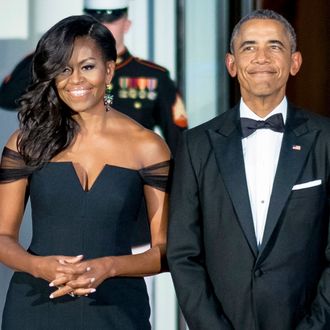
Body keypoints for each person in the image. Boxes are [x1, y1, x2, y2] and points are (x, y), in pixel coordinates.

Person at [0, 14, 171, 330]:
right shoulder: (26, 142)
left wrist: (108, 267)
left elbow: (165, 252)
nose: (75, 79)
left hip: (117, 309)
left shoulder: (148, 147)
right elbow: (2, 238)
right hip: (33, 307)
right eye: (64, 68)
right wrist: (37, 266)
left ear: (108, 71)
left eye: (87, 67)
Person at [167, 9, 330, 330]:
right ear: (231, 64)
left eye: (275, 46)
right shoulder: (196, 145)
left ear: (295, 62)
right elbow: (183, 253)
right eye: (249, 47)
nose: (261, 57)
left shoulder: (325, 139)